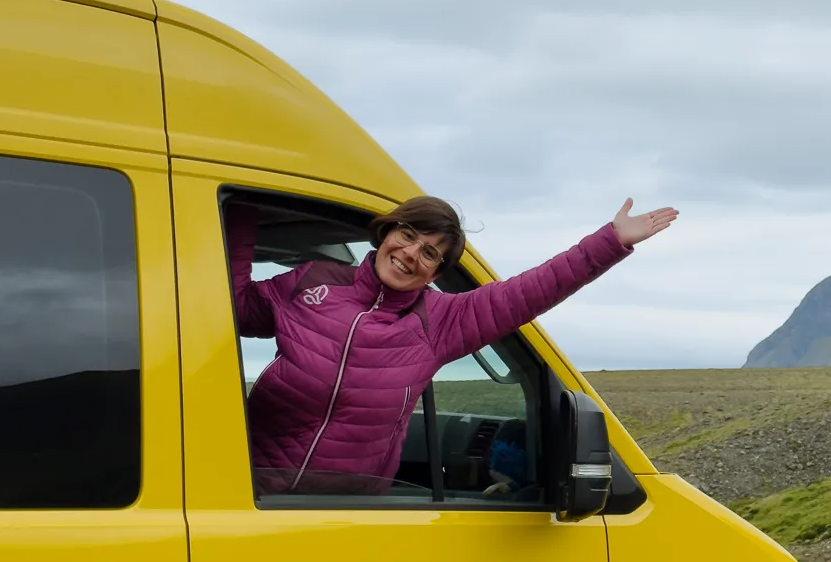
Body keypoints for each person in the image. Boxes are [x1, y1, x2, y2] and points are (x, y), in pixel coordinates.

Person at [227, 195, 677, 494]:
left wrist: (610, 243)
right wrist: (236, 208)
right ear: (387, 233)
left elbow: (529, 291)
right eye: (408, 236)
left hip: (345, 517)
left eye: (429, 253)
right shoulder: (312, 282)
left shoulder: (438, 321)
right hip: (248, 494)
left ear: (436, 273)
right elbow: (234, 310)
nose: (410, 254)